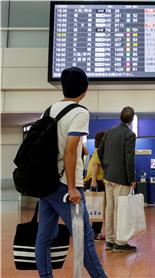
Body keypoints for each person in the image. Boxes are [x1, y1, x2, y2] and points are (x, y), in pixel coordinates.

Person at [35, 67, 107, 278]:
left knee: (44, 237)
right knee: (84, 238)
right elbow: (69, 150)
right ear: (85, 89)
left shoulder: (48, 110)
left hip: (45, 183)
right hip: (65, 187)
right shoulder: (80, 112)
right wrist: (72, 187)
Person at [98, 106, 137, 253]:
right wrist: (132, 178)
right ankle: (120, 242)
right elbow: (129, 158)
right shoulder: (129, 134)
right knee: (121, 210)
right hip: (121, 178)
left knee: (110, 209)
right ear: (132, 119)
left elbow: (100, 151)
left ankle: (110, 240)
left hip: (108, 177)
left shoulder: (109, 132)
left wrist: (106, 167)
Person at [84, 131, 107, 240]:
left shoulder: (96, 151)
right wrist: (93, 181)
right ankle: (95, 233)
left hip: (94, 182)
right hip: (96, 182)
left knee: (95, 207)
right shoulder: (99, 151)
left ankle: (94, 232)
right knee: (98, 207)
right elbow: (95, 166)